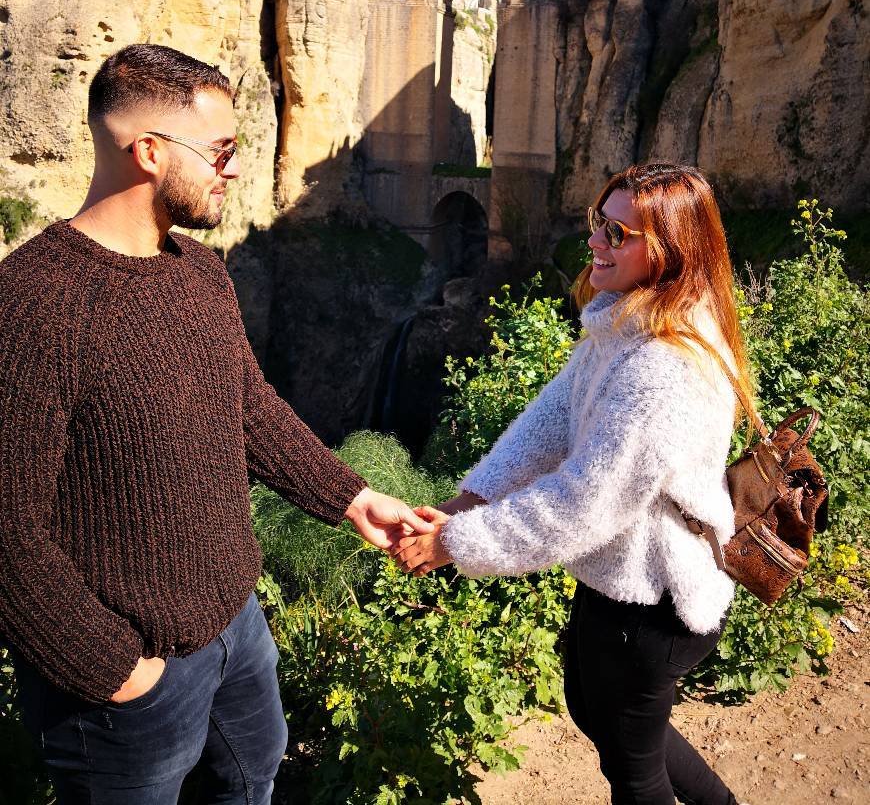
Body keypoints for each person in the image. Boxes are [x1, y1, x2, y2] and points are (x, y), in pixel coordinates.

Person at [0, 44, 433, 805]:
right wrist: (116, 671)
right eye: (222, 152)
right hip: (124, 688)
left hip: (238, 629)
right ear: (148, 152)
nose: (234, 171)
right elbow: (6, 528)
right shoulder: (35, 302)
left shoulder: (198, 272)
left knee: (252, 783)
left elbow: (247, 407)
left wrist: (353, 499)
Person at [394, 163, 746, 805]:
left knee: (633, 771)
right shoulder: (628, 322)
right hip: (616, 578)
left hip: (656, 598)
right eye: (598, 223)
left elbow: (584, 502)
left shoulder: (664, 366)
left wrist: (457, 543)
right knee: (592, 707)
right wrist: (468, 499)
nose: (595, 243)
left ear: (669, 249)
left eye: (618, 233)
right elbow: (553, 418)